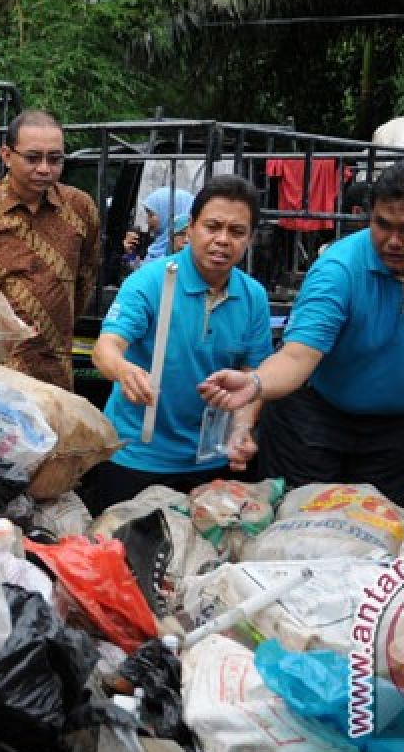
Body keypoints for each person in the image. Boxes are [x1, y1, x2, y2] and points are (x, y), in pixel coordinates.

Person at [199, 157, 404, 505]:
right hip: (314, 421)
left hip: (394, 430)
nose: (393, 241)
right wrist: (256, 384)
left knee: (376, 529)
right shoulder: (338, 271)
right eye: (381, 224)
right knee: (301, 527)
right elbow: (298, 354)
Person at [86, 175, 272, 514]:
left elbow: (254, 372)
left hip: (211, 463)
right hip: (137, 458)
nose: (222, 240)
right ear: (190, 229)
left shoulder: (253, 296)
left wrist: (242, 428)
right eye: (212, 227)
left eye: (236, 231)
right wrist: (124, 370)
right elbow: (106, 348)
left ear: (250, 239)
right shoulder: (151, 281)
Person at [0, 109, 100, 391]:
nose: (44, 168)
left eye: (54, 159)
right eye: (33, 158)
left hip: (57, 372)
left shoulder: (80, 208)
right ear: (6, 155)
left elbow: (85, 279)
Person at [123, 186, 195, 264]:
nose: (148, 221)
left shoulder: (180, 252)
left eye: (151, 215)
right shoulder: (160, 248)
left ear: (168, 215)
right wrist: (130, 254)